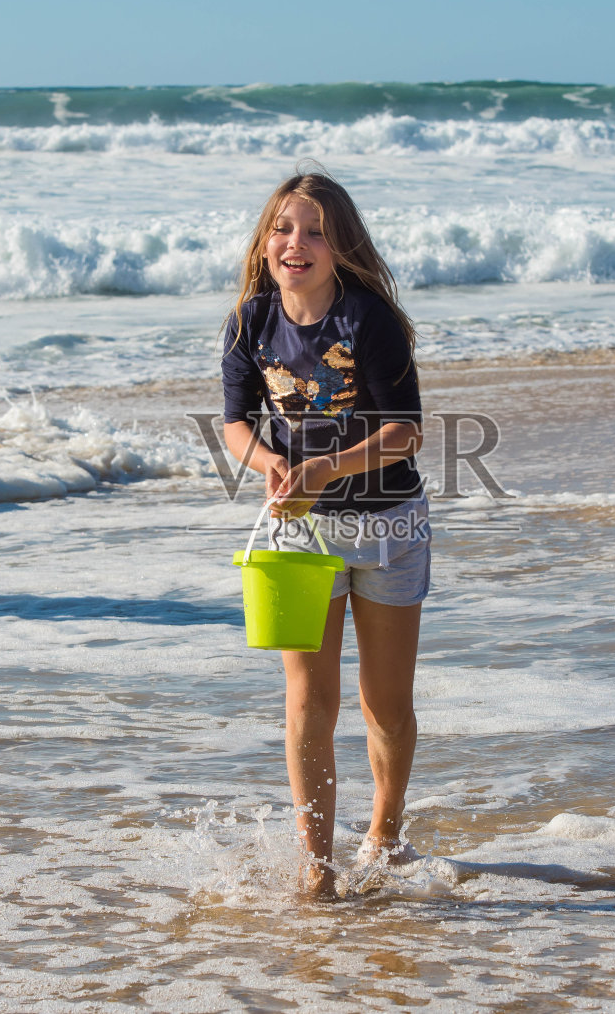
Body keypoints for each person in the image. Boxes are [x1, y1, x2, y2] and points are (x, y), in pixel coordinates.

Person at [220, 168, 429, 899]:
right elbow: (235, 424)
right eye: (283, 228)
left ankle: (387, 831)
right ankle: (318, 867)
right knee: (308, 701)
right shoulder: (251, 320)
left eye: (314, 231)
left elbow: (407, 433)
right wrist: (274, 461)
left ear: (341, 247)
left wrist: (326, 468)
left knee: (384, 702)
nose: (295, 243)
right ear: (264, 240)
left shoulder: (369, 321)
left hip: (388, 529)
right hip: (300, 531)